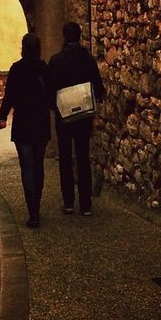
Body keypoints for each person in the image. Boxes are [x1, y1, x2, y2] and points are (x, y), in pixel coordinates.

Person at [0, 32, 53, 228]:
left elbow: (9, 95)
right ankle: (36, 204)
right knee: (38, 166)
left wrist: (2, 116)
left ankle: (33, 212)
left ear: (23, 47)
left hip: (23, 124)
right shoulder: (44, 69)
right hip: (41, 123)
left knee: (27, 167)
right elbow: (52, 97)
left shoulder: (17, 69)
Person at [49, 21, 104, 217]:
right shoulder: (87, 58)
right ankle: (86, 203)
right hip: (83, 114)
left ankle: (69, 202)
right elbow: (97, 84)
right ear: (79, 36)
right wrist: (98, 97)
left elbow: (50, 88)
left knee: (65, 157)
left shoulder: (56, 60)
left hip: (64, 115)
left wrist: (54, 107)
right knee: (82, 156)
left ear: (64, 36)